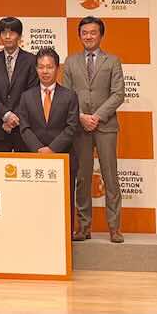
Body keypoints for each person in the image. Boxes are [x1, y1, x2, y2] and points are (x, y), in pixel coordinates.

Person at [63, 16, 126, 243]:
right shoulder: (70, 62)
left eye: (93, 32)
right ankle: (83, 227)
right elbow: (66, 95)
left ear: (101, 35)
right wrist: (81, 117)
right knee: (82, 177)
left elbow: (118, 94)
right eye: (84, 33)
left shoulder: (113, 61)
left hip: (106, 126)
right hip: (80, 127)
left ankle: (114, 228)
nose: (88, 36)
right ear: (79, 35)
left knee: (110, 176)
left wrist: (97, 116)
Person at [18, 47, 80, 230]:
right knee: (35, 202)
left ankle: (65, 237)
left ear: (57, 69)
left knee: (64, 201)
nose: (45, 71)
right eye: (41, 67)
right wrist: (39, 149)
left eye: (49, 67)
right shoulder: (26, 96)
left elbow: (71, 127)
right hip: (34, 157)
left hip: (63, 157)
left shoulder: (69, 96)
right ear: (36, 69)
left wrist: (52, 149)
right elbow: (24, 127)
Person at [0, 17, 38, 152]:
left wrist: (14, 118)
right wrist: (6, 115)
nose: (7, 36)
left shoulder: (31, 60)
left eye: (12, 33)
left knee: (24, 163)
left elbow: (32, 92)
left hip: (24, 126)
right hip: (0, 126)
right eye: (3, 33)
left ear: (19, 36)